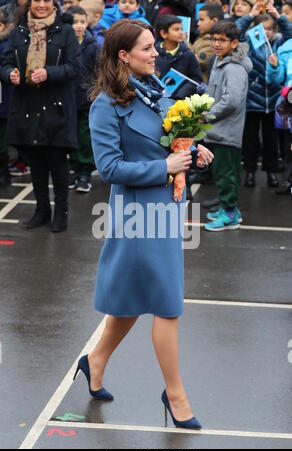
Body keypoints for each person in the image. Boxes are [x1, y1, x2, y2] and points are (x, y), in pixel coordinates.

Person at [73, 19, 213, 429]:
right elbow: (110, 167)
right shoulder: (105, 104)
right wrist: (165, 165)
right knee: (166, 305)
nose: (157, 53)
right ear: (123, 55)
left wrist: (193, 149)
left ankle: (94, 360)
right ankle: (175, 395)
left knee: (131, 302)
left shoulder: (154, 92)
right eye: (148, 48)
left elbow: (165, 137)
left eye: (154, 46)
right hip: (137, 215)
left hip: (167, 209)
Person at [1, 0, 81, 232]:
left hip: (56, 106)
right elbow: (6, 62)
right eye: (37, 0)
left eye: (47, 0)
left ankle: (61, 212)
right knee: (35, 162)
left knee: (57, 162)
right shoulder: (19, 31)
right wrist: (10, 74)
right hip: (27, 106)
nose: (42, 5)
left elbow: (75, 67)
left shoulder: (65, 31)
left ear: (54, 4)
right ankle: (42, 210)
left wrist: (49, 73)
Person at [203, 20, 252, 231]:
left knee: (226, 175)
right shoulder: (220, 60)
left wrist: (209, 115)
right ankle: (228, 208)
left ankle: (230, 214)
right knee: (223, 173)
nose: (216, 44)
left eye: (221, 40)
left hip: (226, 131)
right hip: (218, 131)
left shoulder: (234, 68)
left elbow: (231, 101)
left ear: (234, 43)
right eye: (213, 39)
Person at [237, 2, 292, 187]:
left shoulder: (278, 41)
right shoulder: (247, 42)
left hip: (274, 100)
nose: (266, 32)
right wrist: (251, 15)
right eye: (262, 28)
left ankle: (271, 173)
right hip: (252, 99)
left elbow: (290, 32)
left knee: (271, 141)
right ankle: (250, 172)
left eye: (269, 28)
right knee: (250, 140)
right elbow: (235, 32)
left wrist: (277, 14)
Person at [67, 4, 100, 192]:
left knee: (85, 136)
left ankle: (85, 171)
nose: (79, 26)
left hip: (86, 100)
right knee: (69, 135)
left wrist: (93, 92)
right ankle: (74, 168)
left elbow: (98, 73)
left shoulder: (93, 46)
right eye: (74, 22)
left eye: (82, 22)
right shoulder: (64, 44)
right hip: (67, 98)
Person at [155, 15, 202, 99]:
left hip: (180, 101)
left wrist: (180, 95)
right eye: (176, 29)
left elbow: (195, 79)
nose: (181, 32)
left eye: (181, 29)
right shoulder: (155, 53)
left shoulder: (188, 54)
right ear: (164, 33)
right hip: (158, 98)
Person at [267, 39, 292, 194]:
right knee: (288, 148)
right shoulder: (286, 48)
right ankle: (289, 181)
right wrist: (274, 66)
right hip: (289, 107)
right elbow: (276, 80)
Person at [191, 3, 224, 83]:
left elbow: (196, 62)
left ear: (214, 21)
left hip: (202, 84)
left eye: (202, 20)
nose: (198, 23)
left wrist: (183, 41)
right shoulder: (202, 36)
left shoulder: (213, 42)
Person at [0, 9, 14, 187]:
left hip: (2, 99)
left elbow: (6, 69)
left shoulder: (5, 46)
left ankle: (5, 172)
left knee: (2, 139)